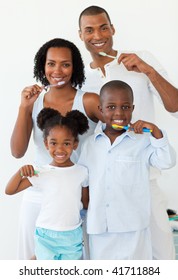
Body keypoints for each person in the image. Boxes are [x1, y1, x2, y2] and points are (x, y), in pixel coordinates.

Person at [78, 5, 178, 259]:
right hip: (106, 189)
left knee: (161, 259)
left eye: (103, 27)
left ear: (113, 29)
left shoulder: (139, 59)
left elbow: (175, 107)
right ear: (80, 35)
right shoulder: (82, 79)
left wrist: (148, 70)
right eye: (89, 30)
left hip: (146, 178)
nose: (97, 35)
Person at [10, 38, 102, 259]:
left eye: (65, 64)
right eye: (51, 64)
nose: (57, 70)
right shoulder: (33, 102)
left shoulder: (89, 101)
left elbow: (117, 131)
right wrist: (24, 107)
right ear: (43, 66)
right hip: (39, 197)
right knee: (30, 265)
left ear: (75, 67)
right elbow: (17, 151)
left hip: (77, 197)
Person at [78, 80, 176, 260]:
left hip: (133, 228)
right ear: (100, 109)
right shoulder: (89, 145)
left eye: (125, 107)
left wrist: (155, 131)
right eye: (111, 107)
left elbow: (166, 162)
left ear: (132, 108)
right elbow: (83, 181)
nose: (118, 113)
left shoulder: (143, 141)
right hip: (99, 228)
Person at [6, 108, 89, 260]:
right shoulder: (41, 172)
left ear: (75, 144)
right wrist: (20, 172)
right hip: (46, 234)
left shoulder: (82, 172)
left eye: (66, 143)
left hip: (72, 234)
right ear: (46, 144)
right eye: (53, 143)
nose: (60, 149)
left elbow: (85, 203)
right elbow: (9, 190)